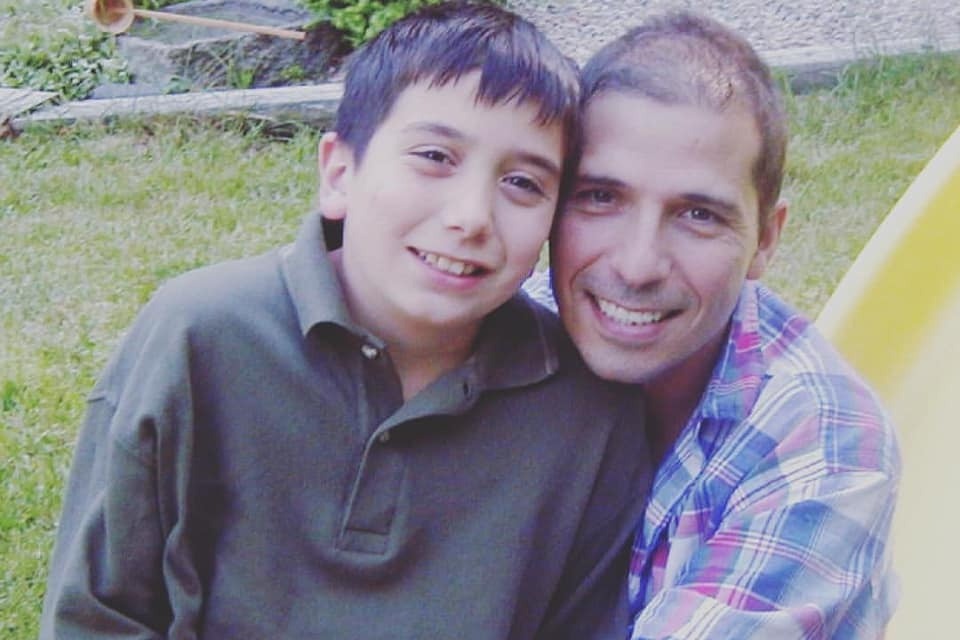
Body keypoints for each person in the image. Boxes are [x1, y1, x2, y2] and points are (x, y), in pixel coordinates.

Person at [39, 3, 653, 638]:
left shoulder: (589, 411)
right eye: (435, 156)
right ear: (338, 173)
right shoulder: (197, 336)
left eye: (523, 183)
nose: (471, 216)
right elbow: (98, 614)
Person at [526, 11, 900, 638]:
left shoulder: (826, 446)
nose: (637, 265)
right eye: (600, 197)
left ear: (765, 240)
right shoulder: (503, 340)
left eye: (698, 214)